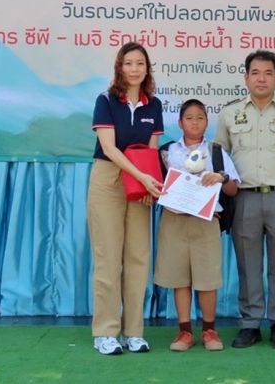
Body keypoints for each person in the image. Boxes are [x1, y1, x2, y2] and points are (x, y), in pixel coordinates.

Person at [214, 50, 275, 350]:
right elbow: (219, 159)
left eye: (268, 73)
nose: (261, 79)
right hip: (245, 198)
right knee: (248, 263)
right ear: (246, 78)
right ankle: (250, 324)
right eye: (255, 73)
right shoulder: (229, 114)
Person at [87, 42, 164, 355]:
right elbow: (109, 148)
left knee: (138, 257)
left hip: (141, 182)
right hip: (108, 180)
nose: (134, 69)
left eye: (140, 63)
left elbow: (153, 149)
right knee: (107, 257)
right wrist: (142, 177)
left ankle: (134, 332)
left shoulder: (154, 105)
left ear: (147, 68)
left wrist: (149, 184)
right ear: (119, 67)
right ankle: (106, 332)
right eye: (128, 63)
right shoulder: (106, 100)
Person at [155, 99, 240, 352]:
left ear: (207, 122)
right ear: (180, 122)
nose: (195, 122)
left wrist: (221, 177)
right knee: (179, 277)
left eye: (200, 118)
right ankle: (184, 332)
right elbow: (156, 184)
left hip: (206, 221)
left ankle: (209, 331)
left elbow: (233, 189)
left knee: (207, 278)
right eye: (189, 118)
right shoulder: (167, 152)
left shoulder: (216, 152)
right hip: (174, 220)